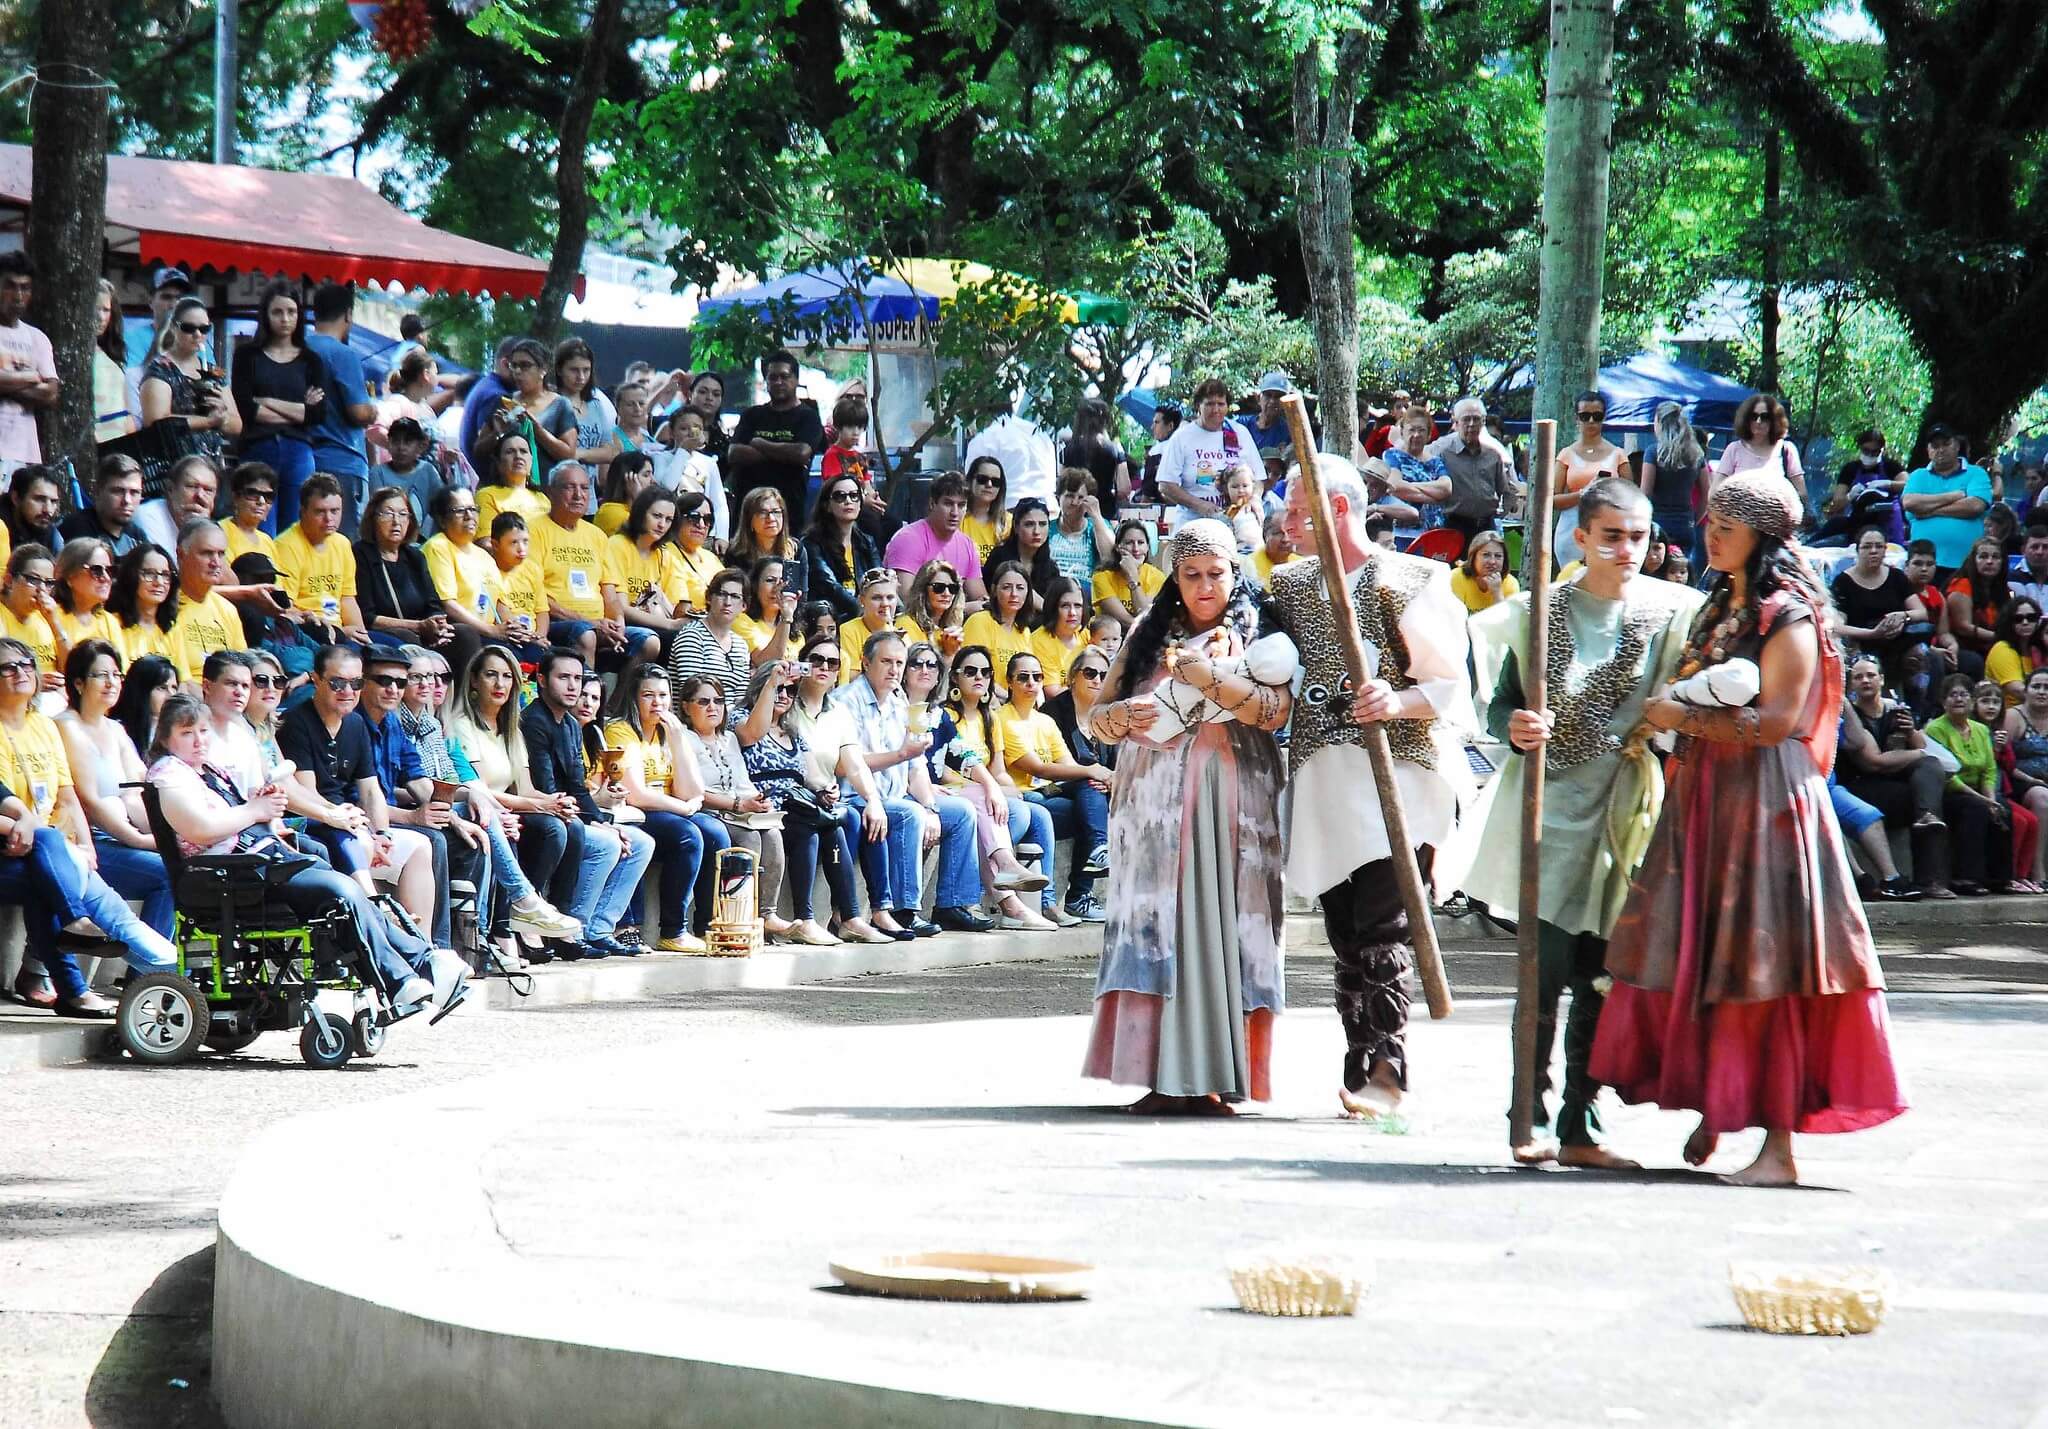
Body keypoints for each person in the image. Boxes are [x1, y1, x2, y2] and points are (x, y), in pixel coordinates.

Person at [1590, 467, 1906, 1184]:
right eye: (1709, 523)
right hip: (1707, 795)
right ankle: (1720, 1100)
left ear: (1762, 536)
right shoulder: (1719, 605)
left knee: (1767, 964)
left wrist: (1681, 714)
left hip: (1767, 803)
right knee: (1702, 951)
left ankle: (1778, 1150)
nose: (1710, 536)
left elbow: (1777, 723)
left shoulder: (1789, 614)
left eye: (1725, 528)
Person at [1460, 478, 1706, 1166]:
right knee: (1543, 971)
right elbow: (1500, 703)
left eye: (1638, 537)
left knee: (1604, 971)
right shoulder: (1538, 612)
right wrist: (1515, 725)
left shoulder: (1676, 611)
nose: (1627, 550)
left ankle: (1581, 1124)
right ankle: (1528, 1115)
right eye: (1612, 536)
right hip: (1550, 807)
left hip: (1627, 807)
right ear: (1582, 537)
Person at [1260, 454, 1477, 1119]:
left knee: (1385, 925)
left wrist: (1396, 699)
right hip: (1325, 780)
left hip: (1397, 776)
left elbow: (1449, 684)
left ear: (1338, 509)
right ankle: (1358, 1062)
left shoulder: (1409, 578)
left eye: (1298, 509)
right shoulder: (1289, 584)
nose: (1286, 521)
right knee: (1347, 932)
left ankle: (1389, 1068)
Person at [1079, 518, 1293, 1111]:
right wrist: (1120, 719)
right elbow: (1093, 718)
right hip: (1152, 801)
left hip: (1233, 794)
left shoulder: (1259, 629)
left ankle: (1215, 1075)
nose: (1204, 586)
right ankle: (1161, 1073)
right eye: (1191, 574)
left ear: (1234, 574)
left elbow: (1275, 712)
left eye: (1215, 574)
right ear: (1174, 577)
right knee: (1162, 924)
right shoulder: (1149, 632)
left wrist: (1207, 679)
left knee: (1222, 923)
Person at [146, 694, 466, 1021]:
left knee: (343, 889)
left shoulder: (206, 770)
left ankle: (423, 963)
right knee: (340, 891)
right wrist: (254, 810)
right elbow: (201, 829)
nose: (199, 741)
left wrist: (261, 805)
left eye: (203, 731)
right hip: (228, 875)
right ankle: (405, 977)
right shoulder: (169, 775)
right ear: (166, 738)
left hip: (259, 861)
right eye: (186, 733)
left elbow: (243, 813)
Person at [0, 641, 179, 1017]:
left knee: (54, 865)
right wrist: (31, 830)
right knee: (48, 869)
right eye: (8, 667)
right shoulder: (64, 725)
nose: (21, 672)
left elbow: (66, 796)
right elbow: (85, 802)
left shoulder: (42, 725)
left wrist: (84, 846)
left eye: (27, 663)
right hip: (17, 846)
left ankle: (156, 976)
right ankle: (151, 977)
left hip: (45, 846)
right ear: (78, 682)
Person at [277, 644, 440, 935]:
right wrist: (357, 825)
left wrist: (382, 834)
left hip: (351, 825)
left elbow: (370, 791)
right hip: (313, 823)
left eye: (356, 683)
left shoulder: (355, 723)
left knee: (420, 845)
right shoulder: (296, 722)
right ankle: (375, 924)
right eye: (337, 683)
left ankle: (422, 944)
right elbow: (306, 793)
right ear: (316, 679)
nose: (348, 691)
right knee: (360, 841)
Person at [441, 644, 588, 963]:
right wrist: (541, 807)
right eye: (491, 675)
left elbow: (526, 788)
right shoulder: (461, 725)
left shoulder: (511, 728)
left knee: (571, 826)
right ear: (474, 680)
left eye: (507, 676)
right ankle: (516, 917)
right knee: (545, 828)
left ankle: (544, 917)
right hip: (483, 806)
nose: (500, 684)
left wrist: (555, 801)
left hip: (505, 807)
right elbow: (477, 790)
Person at [738, 658, 886, 943]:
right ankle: (805, 919)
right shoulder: (742, 718)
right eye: (778, 689)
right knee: (809, 829)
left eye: (790, 691)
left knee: (831, 825)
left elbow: (813, 773)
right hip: (764, 807)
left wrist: (826, 789)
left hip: (796, 804)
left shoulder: (792, 729)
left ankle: (850, 917)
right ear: (761, 689)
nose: (784, 695)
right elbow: (752, 734)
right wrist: (772, 682)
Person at [520, 647, 655, 958]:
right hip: (540, 811)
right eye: (563, 677)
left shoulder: (569, 724)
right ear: (542, 680)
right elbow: (547, 788)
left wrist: (604, 822)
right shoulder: (534, 722)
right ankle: (573, 929)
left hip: (569, 810)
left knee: (640, 842)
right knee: (605, 844)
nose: (573, 686)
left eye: (577, 678)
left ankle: (599, 928)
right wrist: (599, 827)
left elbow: (577, 788)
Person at [786, 636, 922, 941]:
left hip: (826, 800)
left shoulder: (837, 711)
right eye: (816, 660)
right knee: (848, 817)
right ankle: (844, 916)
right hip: (794, 798)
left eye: (832, 663)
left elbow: (854, 762)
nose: (824, 667)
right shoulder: (786, 702)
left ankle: (871, 912)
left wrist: (873, 800)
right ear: (802, 663)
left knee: (870, 815)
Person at [827, 630, 946, 938]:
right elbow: (844, 764)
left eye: (899, 663)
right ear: (866, 663)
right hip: (853, 797)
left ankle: (956, 904)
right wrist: (901, 754)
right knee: (908, 814)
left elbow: (915, 767)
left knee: (960, 813)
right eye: (886, 662)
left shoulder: (899, 703)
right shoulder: (845, 701)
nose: (894, 670)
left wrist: (931, 807)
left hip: (892, 797)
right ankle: (904, 911)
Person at [603, 661, 712, 953]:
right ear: (634, 697)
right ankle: (673, 930)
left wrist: (677, 740)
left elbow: (693, 791)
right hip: (637, 813)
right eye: (648, 695)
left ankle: (706, 925)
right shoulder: (621, 730)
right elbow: (636, 794)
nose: (657, 703)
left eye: (663, 695)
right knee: (687, 833)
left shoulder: (669, 731)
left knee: (714, 832)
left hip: (665, 810)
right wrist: (683, 807)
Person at [996, 650, 1112, 924]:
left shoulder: (1044, 721)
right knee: (1089, 804)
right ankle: (1067, 897)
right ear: (1009, 681)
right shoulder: (1002, 718)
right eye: (1023, 677)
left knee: (1090, 798)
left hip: (1050, 794)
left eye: (1037, 677)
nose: (1031, 683)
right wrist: (1093, 770)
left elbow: (1068, 765)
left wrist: (1094, 775)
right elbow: (1038, 768)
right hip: (1025, 796)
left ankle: (1097, 852)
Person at [677, 673, 796, 940]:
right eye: (703, 702)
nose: (712, 707)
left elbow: (743, 783)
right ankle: (739, 917)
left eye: (718, 701)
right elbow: (691, 791)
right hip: (706, 811)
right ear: (686, 706)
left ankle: (766, 914)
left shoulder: (729, 738)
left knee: (773, 833)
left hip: (737, 810)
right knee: (749, 838)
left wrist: (759, 801)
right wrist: (739, 804)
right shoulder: (683, 738)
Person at [1839, 651, 1951, 895]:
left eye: (1871, 675)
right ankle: (1928, 879)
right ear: (1851, 684)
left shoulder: (1895, 710)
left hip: (1894, 782)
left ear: (1881, 679)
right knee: (1921, 782)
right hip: (1862, 785)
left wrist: (1911, 731)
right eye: (1858, 677)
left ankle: (1927, 821)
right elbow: (1873, 762)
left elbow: (1922, 746)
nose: (1865, 681)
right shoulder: (1851, 715)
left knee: (1933, 792)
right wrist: (1918, 754)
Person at [533, 460, 651, 672]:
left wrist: (618, 622)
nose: (578, 495)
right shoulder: (534, 530)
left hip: (599, 624)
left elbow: (610, 594)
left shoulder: (597, 535)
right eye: (569, 487)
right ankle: (587, 691)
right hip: (557, 623)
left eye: (585, 488)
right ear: (550, 492)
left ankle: (619, 695)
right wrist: (592, 622)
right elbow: (536, 594)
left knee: (648, 641)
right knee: (586, 633)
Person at [231, 280, 326, 529]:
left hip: (299, 450)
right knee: (258, 525)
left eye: (291, 311)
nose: (285, 319)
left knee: (295, 526)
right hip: (257, 447)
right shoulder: (246, 356)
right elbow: (246, 409)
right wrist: (298, 410)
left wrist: (268, 401)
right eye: (277, 312)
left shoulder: (311, 360)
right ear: (266, 315)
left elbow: (316, 414)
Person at [1922, 672, 2019, 896]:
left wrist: (1991, 798)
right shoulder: (1935, 729)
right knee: (1976, 809)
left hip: (1978, 791)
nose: (1959, 699)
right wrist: (1983, 800)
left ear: (1972, 700)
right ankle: (1966, 877)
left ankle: (2000, 878)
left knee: (2002, 809)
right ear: (1944, 701)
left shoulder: (1981, 729)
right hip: (1949, 791)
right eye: (1953, 695)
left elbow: (1989, 769)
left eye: (1964, 694)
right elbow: (1947, 774)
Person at [302, 284, 376, 537]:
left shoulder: (298, 348)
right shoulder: (343, 354)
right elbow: (359, 412)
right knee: (340, 543)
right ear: (348, 315)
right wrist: (373, 410)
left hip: (304, 458)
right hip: (342, 461)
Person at [137, 295, 239, 468]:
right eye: (188, 328)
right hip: (172, 466)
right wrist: (208, 422)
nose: (197, 334)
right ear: (173, 327)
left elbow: (237, 424)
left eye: (204, 329)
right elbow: (156, 422)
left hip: (210, 466)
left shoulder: (213, 372)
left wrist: (222, 416)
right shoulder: (160, 369)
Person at [355, 486, 454, 655]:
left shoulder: (415, 556)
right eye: (388, 514)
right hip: (386, 634)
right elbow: (368, 617)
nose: (396, 522)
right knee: (408, 638)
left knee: (464, 634)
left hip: (423, 631)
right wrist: (417, 626)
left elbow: (434, 604)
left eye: (403, 514)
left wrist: (438, 625)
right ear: (373, 518)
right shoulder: (361, 554)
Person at [270, 475, 368, 646]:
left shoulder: (342, 543)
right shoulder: (286, 546)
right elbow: (286, 608)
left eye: (335, 511)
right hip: (309, 630)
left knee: (393, 646)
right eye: (320, 511)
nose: (329, 518)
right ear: (303, 512)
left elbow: (347, 599)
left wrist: (362, 635)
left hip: (340, 629)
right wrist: (341, 632)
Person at [727, 350, 823, 519]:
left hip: (788, 511)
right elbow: (734, 453)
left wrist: (760, 443)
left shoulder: (808, 417)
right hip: (748, 510)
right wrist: (785, 456)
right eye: (773, 377)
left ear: (796, 379)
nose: (778, 382)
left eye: (784, 376)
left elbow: (801, 453)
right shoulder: (752, 415)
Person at [1153, 378, 1257, 525]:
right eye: (1209, 404)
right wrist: (1199, 505)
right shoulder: (1182, 437)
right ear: (1198, 406)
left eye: (1221, 404)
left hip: (1236, 521)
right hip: (1193, 522)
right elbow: (1165, 485)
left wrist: (1255, 499)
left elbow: (1259, 479)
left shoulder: (1239, 433)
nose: (1216, 410)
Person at [1902, 422, 1992, 578]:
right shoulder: (1918, 475)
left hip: (1966, 564)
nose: (1940, 450)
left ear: (1957, 445)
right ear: (1928, 450)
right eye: (1935, 446)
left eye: (1946, 444)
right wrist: (1953, 496)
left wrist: (1928, 511)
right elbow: (1910, 503)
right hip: (1924, 565)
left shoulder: (1976, 473)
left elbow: (1975, 506)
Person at [882, 471, 985, 604]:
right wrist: (963, 609)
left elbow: (979, 597)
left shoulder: (968, 545)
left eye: (961, 505)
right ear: (932, 504)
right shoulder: (908, 539)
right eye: (948, 504)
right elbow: (907, 600)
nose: (955, 512)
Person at [1550, 390, 1624, 563]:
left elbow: (1629, 497)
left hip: (1607, 526)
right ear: (1577, 418)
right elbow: (1552, 500)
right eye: (1585, 416)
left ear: (1604, 418)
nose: (1591, 421)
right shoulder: (1566, 454)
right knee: (1572, 575)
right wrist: (1584, 493)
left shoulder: (1618, 455)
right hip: (1571, 527)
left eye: (1597, 416)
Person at [1436, 397, 1521, 545]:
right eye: (1466, 419)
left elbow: (1507, 490)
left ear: (1483, 422)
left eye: (1476, 419)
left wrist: (1500, 514)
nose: (1471, 424)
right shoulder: (1442, 452)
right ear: (1456, 422)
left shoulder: (1493, 454)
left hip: (1486, 527)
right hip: (1453, 526)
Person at [802, 474, 885, 620]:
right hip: (829, 619)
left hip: (866, 616)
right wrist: (865, 611)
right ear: (827, 505)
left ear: (860, 503)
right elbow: (830, 586)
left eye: (854, 495)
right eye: (840, 496)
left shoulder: (866, 541)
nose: (848, 501)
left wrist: (898, 612)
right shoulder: (811, 543)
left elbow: (880, 580)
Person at [1996, 666, 2048, 891]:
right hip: (2019, 781)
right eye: (2036, 686)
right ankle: (2038, 871)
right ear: (2025, 691)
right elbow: (2003, 758)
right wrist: (2031, 779)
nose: (2042, 692)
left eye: (2047, 688)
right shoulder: (2013, 716)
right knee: (2042, 798)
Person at [1636, 401, 1706, 564]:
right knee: (1681, 571)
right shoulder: (1696, 454)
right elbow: (1707, 493)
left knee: (1657, 572)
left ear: (1660, 423)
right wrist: (1693, 520)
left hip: (1657, 523)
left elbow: (1645, 493)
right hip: (1685, 524)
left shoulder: (1653, 452)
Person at [1814, 428, 1907, 548]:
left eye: (1875, 452)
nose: (1870, 455)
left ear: (1882, 450)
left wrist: (1888, 484)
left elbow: (1908, 484)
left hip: (1889, 521)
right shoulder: (1850, 469)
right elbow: (1836, 503)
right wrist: (1850, 496)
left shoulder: (1891, 466)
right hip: (1859, 521)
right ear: (1860, 448)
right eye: (1866, 450)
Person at [834, 568, 922, 687]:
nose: (885, 604)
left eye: (890, 597)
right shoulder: (849, 629)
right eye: (877, 598)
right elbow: (852, 678)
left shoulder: (902, 636)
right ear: (862, 600)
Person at [961, 561, 1037, 695]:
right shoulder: (979, 621)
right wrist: (1010, 699)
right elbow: (972, 673)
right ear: (994, 590)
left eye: (1020, 588)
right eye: (1007, 587)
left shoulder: (1024, 631)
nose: (1014, 594)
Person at [964, 404, 1058, 511]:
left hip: (1009, 510)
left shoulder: (984, 439)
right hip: (1049, 509)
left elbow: (972, 486)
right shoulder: (1040, 433)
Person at [0, 543, 63, 699]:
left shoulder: (48, 615)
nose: (42, 589)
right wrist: (36, 681)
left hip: (53, 698)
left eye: (49, 583)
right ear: (9, 580)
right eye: (33, 580)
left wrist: (55, 624)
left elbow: (72, 670)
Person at [484, 514, 550, 661]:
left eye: (525, 541)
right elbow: (501, 611)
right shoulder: (489, 569)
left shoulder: (532, 569)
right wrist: (530, 638)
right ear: (495, 545)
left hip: (533, 636)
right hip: (509, 635)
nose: (522, 549)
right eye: (513, 543)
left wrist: (540, 636)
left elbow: (542, 611)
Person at [656, 407, 729, 540]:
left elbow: (719, 503)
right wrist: (684, 450)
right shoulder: (660, 458)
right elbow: (667, 487)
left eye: (697, 428)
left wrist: (721, 536)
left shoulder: (709, 463)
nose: (691, 433)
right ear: (671, 432)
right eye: (684, 428)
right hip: (670, 530)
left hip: (701, 529)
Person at [553, 338, 619, 479]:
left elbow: (611, 451)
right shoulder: (551, 404)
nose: (581, 377)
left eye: (586, 370)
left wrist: (578, 454)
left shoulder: (596, 405)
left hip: (589, 487)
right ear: (559, 369)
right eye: (574, 370)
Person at [60, 454, 145, 558]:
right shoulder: (77, 529)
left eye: (134, 492)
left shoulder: (137, 536)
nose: (127, 500)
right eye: (118, 491)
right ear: (98, 491)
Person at [107, 543, 176, 667]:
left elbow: (183, 676)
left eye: (165, 575)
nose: (159, 582)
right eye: (149, 574)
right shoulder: (111, 623)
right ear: (131, 576)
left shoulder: (172, 627)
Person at [1946, 535, 2008, 671]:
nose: (1990, 561)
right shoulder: (1962, 584)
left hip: (1990, 645)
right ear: (1974, 560)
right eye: (1983, 557)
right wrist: (2000, 638)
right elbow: (1963, 627)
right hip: (1962, 647)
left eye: (1995, 557)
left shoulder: (2002, 589)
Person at [1063, 397, 1131, 518]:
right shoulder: (1114, 449)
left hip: (1075, 516)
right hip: (1104, 515)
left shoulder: (1068, 448)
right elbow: (1124, 489)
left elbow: (1062, 486)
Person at [51, 539, 123, 651]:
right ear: (70, 576)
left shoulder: (109, 621)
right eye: (96, 570)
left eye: (110, 570)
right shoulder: (50, 616)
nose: (106, 578)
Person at [986, 497, 1057, 609]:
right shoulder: (999, 557)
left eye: (1042, 524)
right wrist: (1046, 609)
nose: (1037, 531)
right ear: (1016, 527)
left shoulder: (1051, 568)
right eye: (1029, 524)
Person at [90, 278, 136, 445]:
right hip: (96, 439)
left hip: (122, 439)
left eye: (106, 310)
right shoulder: (79, 356)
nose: (101, 317)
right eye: (95, 309)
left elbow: (125, 407)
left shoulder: (112, 352)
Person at [1048, 468, 1114, 585]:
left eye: (1080, 497)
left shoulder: (1098, 525)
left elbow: (1110, 558)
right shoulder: (1047, 528)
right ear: (1058, 498)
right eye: (1069, 496)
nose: (1074, 502)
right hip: (1052, 589)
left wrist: (1096, 516)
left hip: (1087, 590)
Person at [731, 556, 800, 666]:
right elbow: (765, 663)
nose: (777, 588)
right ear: (755, 586)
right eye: (770, 580)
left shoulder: (797, 635)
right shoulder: (740, 620)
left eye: (783, 582)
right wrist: (786, 618)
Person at [476, 431, 549, 534]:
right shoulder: (487, 496)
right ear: (498, 462)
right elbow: (486, 540)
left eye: (523, 451)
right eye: (510, 452)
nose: (518, 456)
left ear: (531, 460)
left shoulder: (542, 498)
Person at [1092, 522, 1162, 628]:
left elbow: (1143, 613)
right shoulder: (1101, 577)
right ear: (1118, 547)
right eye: (1129, 543)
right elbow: (1123, 620)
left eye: (1141, 543)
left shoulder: (1157, 576)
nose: (1136, 549)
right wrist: (1146, 629)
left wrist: (1133, 576)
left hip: (1143, 633)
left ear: (1147, 547)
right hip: (1110, 635)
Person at [1030, 577, 1091, 694]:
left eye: (1078, 606)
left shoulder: (1086, 635)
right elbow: (1053, 692)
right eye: (1065, 606)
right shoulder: (1039, 641)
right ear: (1053, 608)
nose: (1072, 613)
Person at [220, 461, 281, 567]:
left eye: (268, 496)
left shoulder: (267, 541)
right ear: (235, 497)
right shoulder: (220, 532)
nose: (261, 501)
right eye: (253, 494)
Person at [1985, 598, 2043, 707]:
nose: (2025, 622)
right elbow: (2017, 690)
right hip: (2009, 711)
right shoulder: (2002, 649)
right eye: (2018, 619)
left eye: (2031, 618)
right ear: (2009, 622)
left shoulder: (2038, 650)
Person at [1450, 529, 1519, 613]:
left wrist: (1497, 593)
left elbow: (1507, 620)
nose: (1492, 561)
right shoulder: (1456, 577)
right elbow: (1452, 617)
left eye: (1498, 556)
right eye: (1486, 555)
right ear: (1473, 557)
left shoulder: (1510, 583)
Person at [593, 448, 654, 536]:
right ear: (628, 479)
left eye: (652, 475)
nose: (653, 481)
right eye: (646, 475)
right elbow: (645, 535)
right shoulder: (611, 511)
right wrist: (638, 498)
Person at [961, 455, 1010, 563]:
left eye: (995, 482)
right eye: (982, 479)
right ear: (970, 481)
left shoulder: (1009, 522)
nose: (989, 485)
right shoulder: (957, 518)